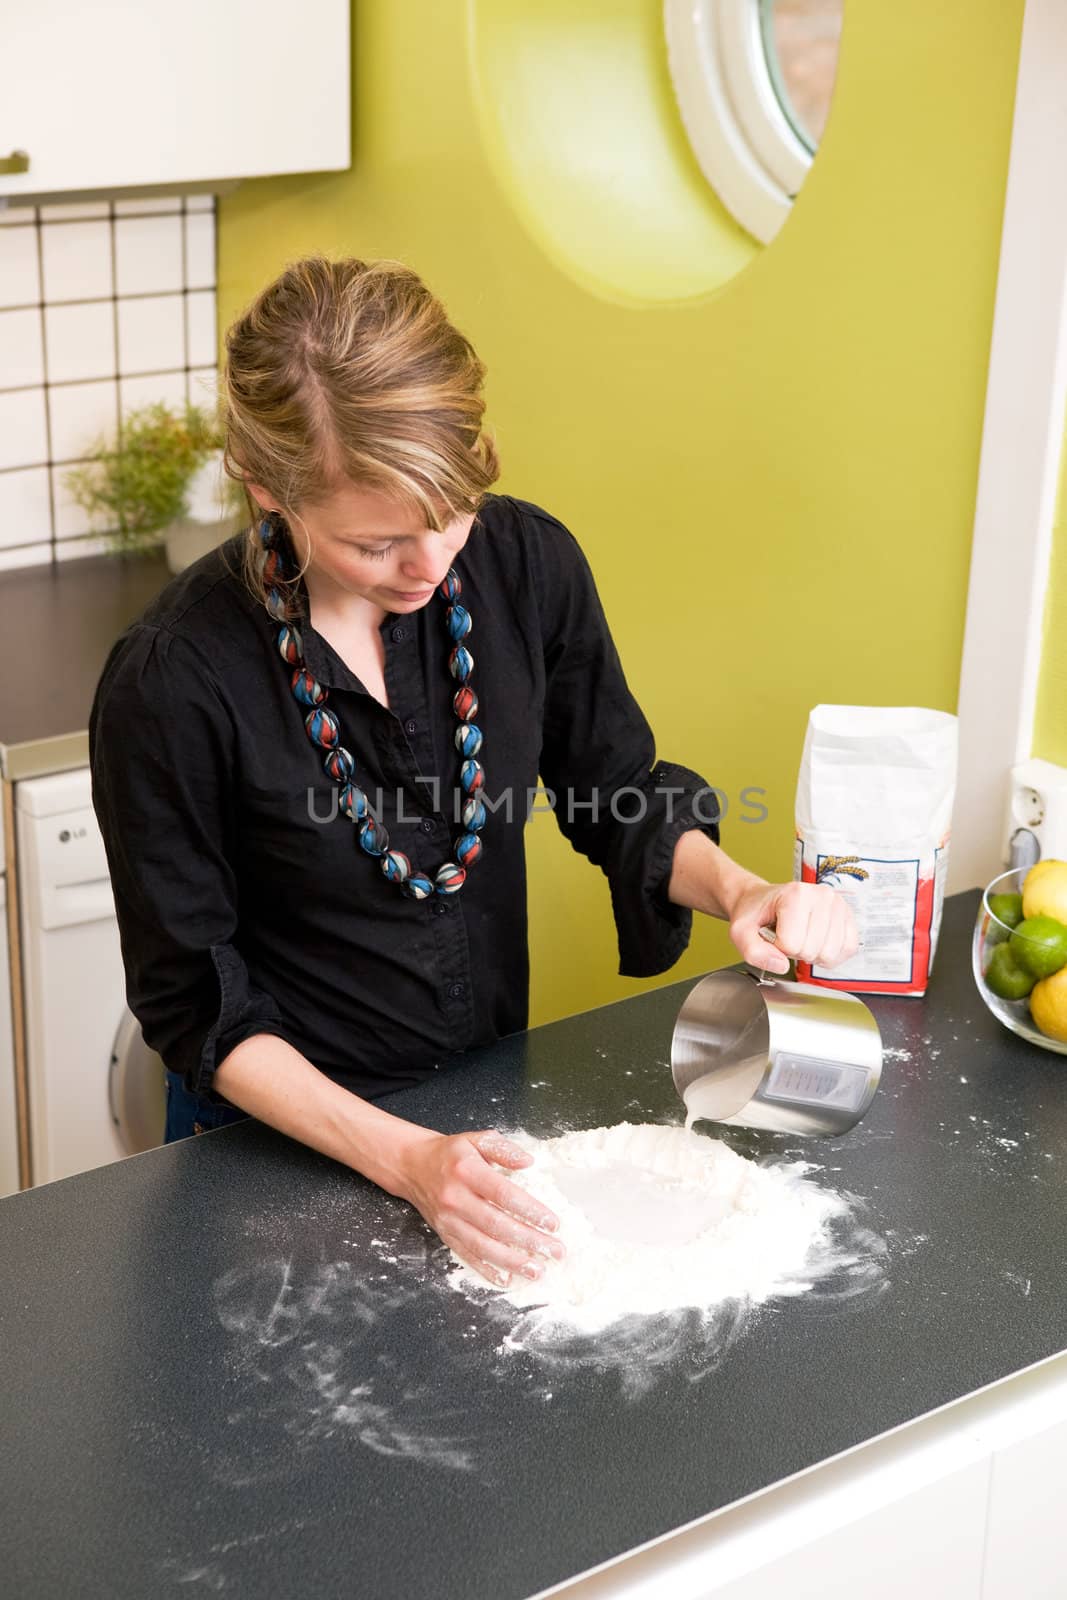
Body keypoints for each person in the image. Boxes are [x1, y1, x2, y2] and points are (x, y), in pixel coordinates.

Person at [90, 256, 858, 1288]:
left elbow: (612, 786)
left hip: (485, 1120)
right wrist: (407, 1159)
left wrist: (738, 888)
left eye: (452, 511)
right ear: (269, 490)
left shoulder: (525, 565)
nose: (432, 565)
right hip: (272, 1159)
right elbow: (197, 1003)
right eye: (376, 543)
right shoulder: (172, 683)